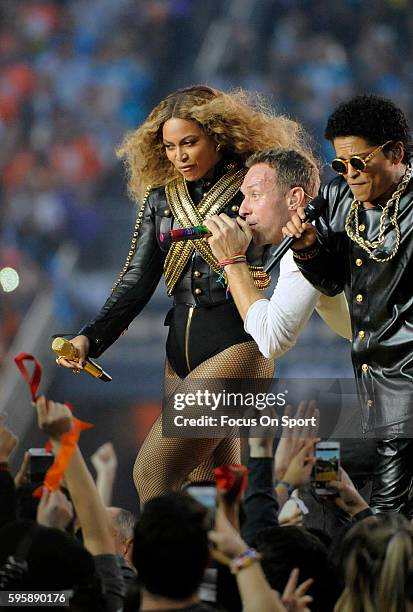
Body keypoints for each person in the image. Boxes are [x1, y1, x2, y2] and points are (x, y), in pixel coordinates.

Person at [55, 85, 317, 505]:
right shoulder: (160, 199)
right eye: (170, 146)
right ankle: (224, 565)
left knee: (153, 473)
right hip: (177, 356)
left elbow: (288, 243)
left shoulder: (253, 188)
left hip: (240, 346)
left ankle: (155, 568)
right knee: (212, 489)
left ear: (217, 134)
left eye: (190, 143)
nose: (179, 155)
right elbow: (135, 282)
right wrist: (90, 338)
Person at [282, 95, 413, 516]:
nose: (350, 174)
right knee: (323, 469)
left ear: (396, 153)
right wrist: (307, 250)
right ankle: (346, 566)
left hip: (407, 383)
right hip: (372, 379)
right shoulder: (340, 200)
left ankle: (378, 571)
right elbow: (333, 280)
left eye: (359, 162)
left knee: (390, 512)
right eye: (340, 165)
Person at [204, 148, 351, 362]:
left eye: (255, 195)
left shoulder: (309, 242)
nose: (243, 209)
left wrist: (232, 260)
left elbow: (272, 340)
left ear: (294, 198)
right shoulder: (328, 224)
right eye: (244, 197)